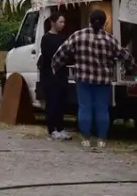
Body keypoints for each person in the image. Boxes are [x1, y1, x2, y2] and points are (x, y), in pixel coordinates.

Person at [53, 10, 137, 148]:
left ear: (89, 21)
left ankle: (86, 138)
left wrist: (55, 66)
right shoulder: (109, 39)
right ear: (105, 23)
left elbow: (61, 53)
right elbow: (125, 56)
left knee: (84, 108)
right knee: (102, 109)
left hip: (83, 79)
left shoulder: (78, 36)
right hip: (103, 81)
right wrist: (132, 68)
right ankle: (102, 139)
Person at [40, 13, 70, 140]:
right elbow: (48, 55)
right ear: (53, 22)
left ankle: (61, 127)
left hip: (62, 73)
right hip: (50, 74)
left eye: (63, 22)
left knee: (61, 101)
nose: (62, 24)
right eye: (60, 22)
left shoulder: (64, 38)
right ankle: (52, 129)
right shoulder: (46, 38)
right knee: (52, 101)